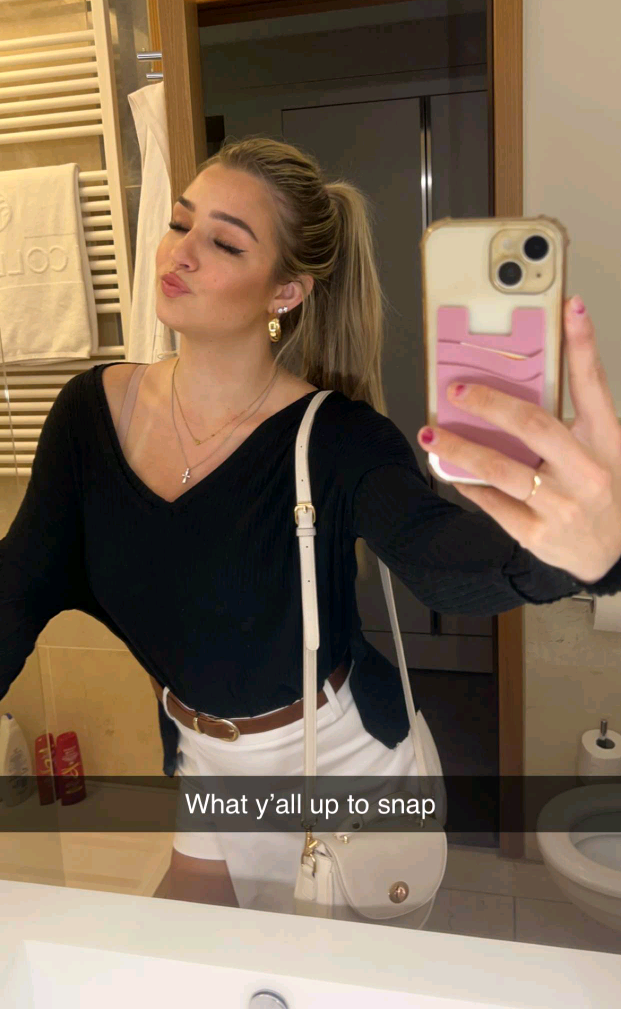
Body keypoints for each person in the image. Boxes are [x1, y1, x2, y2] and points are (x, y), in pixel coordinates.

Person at [2, 136, 621, 918]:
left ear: (286, 293)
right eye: (180, 223)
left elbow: (439, 561)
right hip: (206, 760)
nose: (180, 252)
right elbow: (17, 588)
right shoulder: (87, 416)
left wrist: (578, 554)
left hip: (338, 761)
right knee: (180, 955)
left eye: (225, 243)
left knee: (347, 966)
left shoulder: (337, 440)